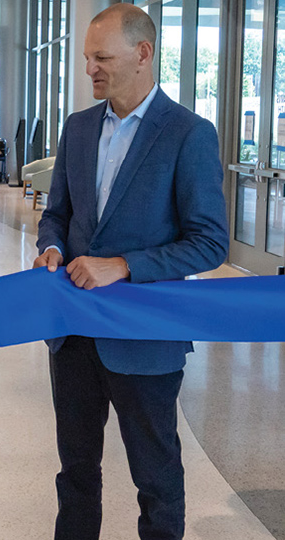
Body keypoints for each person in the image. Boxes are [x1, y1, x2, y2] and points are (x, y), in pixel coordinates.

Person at [33, 5, 228, 539]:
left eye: (101, 58)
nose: (89, 69)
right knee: (75, 473)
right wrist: (51, 248)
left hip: (145, 340)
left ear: (143, 54)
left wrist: (121, 266)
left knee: (156, 476)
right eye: (86, 58)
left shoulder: (189, 133)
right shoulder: (77, 128)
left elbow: (210, 243)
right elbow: (57, 216)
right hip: (71, 338)